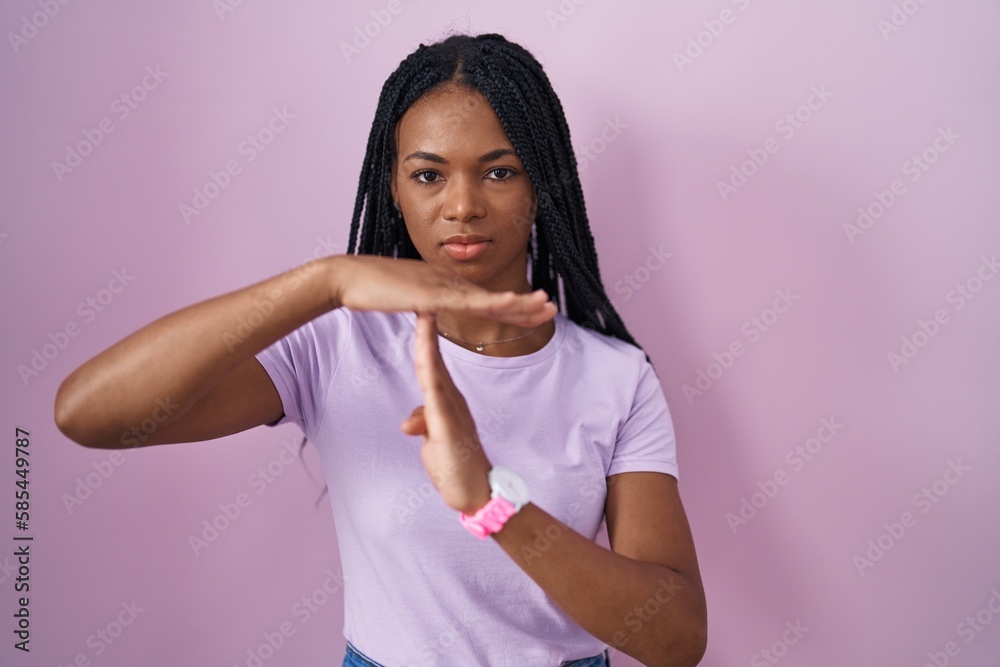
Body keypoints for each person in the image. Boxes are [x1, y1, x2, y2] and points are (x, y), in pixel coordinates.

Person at [55, 32, 707, 667]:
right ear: (392, 187)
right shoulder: (337, 344)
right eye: (428, 174)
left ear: (541, 185)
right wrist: (327, 280)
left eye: (499, 171)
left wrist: (489, 503)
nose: (461, 205)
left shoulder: (615, 377)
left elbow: (677, 640)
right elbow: (87, 413)